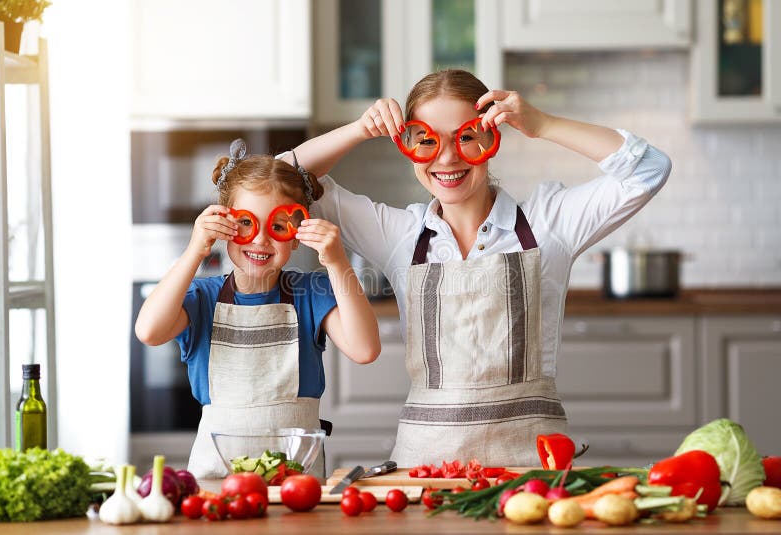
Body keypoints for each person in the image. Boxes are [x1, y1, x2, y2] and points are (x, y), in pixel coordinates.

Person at [285, 69, 671, 467]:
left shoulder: (548, 225)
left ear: (491, 138)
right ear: (409, 145)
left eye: (466, 137)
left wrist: (543, 124)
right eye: (427, 140)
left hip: (531, 471)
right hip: (424, 472)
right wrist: (359, 130)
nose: (447, 157)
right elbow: (283, 177)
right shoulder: (399, 235)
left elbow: (650, 168)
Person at [135, 139, 382, 478]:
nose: (261, 239)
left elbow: (365, 349)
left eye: (279, 226)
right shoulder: (202, 297)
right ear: (224, 225)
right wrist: (195, 249)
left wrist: (337, 262)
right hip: (217, 481)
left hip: (298, 483)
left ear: (297, 234)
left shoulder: (311, 292)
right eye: (246, 223)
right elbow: (149, 331)